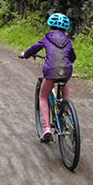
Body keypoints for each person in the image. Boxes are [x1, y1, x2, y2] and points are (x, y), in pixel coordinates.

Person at [20, 13, 76, 142]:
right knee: (64, 83)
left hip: (51, 70)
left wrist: (25, 55)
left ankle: (46, 129)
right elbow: (72, 57)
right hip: (66, 71)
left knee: (43, 96)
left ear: (50, 27)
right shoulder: (67, 41)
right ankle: (66, 107)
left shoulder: (47, 37)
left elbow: (35, 48)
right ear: (65, 29)